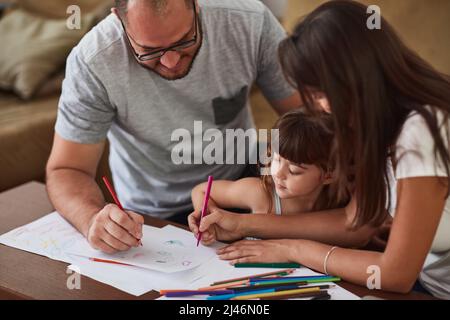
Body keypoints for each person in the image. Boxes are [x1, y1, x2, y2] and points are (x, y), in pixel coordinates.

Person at [191, 0, 450, 298]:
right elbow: (352, 220)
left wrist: (292, 249)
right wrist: (241, 224)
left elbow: (394, 274)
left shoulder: (422, 130)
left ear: (353, 79)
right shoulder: (376, 126)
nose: (318, 108)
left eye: (318, 93)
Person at [45, 0, 300, 254]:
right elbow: (67, 168)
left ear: (197, 6)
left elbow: (305, 116)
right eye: (149, 51)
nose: (170, 61)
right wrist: (91, 219)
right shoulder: (93, 61)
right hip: (152, 214)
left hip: (244, 178)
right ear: (119, 19)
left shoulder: (248, 22)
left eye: (184, 41)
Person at [190, 110, 350, 245]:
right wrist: (207, 218)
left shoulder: (339, 203)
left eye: (294, 170)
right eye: (275, 159)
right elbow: (202, 190)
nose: (278, 173)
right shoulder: (259, 193)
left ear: (329, 175)